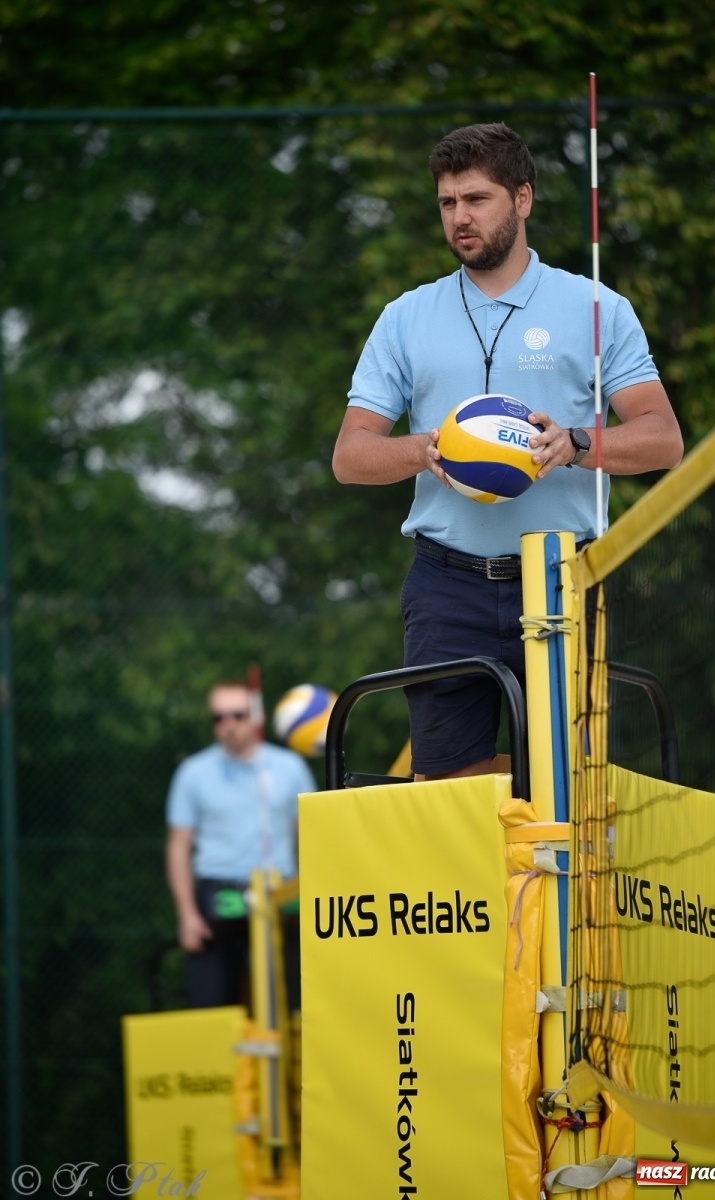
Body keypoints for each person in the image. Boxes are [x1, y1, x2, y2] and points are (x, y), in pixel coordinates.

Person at [332, 122, 683, 782]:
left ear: (521, 199)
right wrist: (421, 449)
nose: (459, 218)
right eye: (446, 203)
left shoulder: (595, 306)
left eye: (476, 199)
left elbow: (662, 439)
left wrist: (575, 443)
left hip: (561, 578)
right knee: (448, 793)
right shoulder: (406, 316)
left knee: (565, 787)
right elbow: (350, 457)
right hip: (444, 584)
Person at [165, 679, 316, 1009]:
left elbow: (310, 838)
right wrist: (187, 915)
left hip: (283, 894)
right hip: (219, 897)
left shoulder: (290, 768)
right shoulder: (192, 773)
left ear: (256, 716)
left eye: (237, 715)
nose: (228, 725)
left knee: (298, 1006)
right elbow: (178, 847)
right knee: (212, 1009)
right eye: (218, 718)